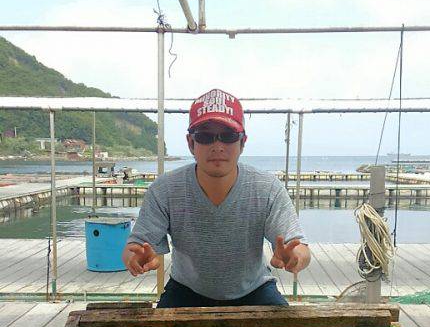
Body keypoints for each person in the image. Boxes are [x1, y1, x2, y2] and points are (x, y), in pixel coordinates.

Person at [122, 88, 310, 307]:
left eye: (228, 136)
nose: (218, 146)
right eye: (205, 136)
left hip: (253, 288)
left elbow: (299, 247)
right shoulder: (164, 189)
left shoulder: (267, 188)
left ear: (242, 142)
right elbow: (134, 247)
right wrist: (135, 259)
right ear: (191, 143)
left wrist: (295, 257)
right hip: (186, 289)